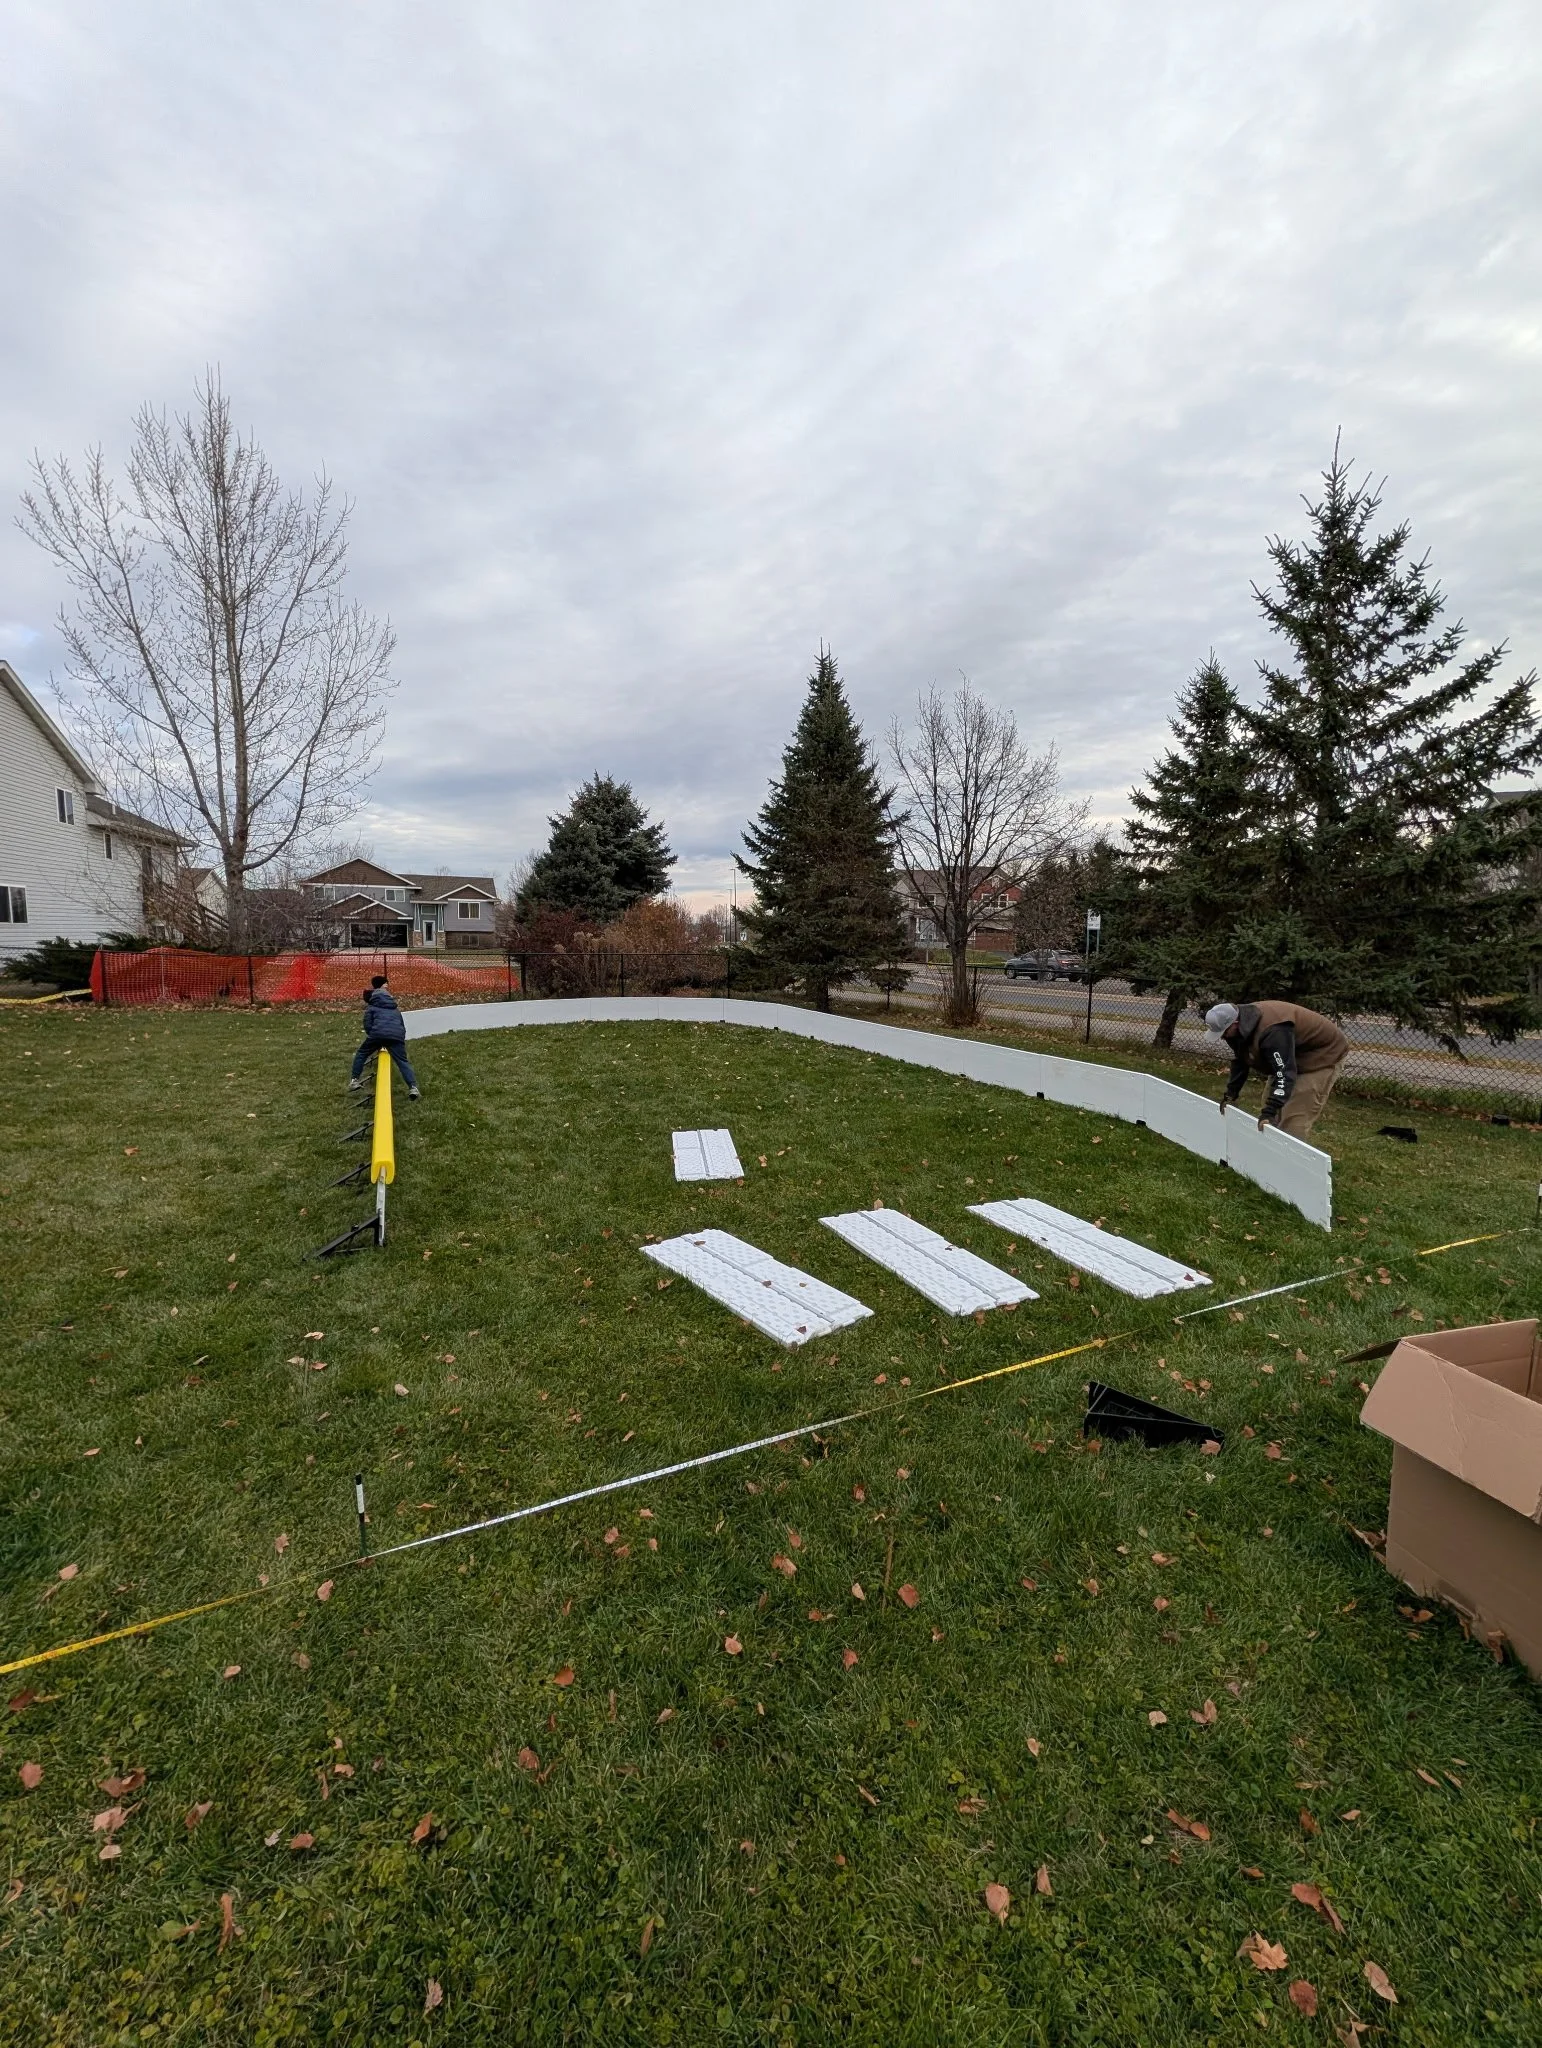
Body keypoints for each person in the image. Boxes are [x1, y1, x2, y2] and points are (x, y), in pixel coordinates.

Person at [1204, 999, 1348, 1140]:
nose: (1222, 1037)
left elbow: (1285, 1072)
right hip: (1290, 1053)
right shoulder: (1237, 1029)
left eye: (1224, 1032)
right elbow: (1241, 1061)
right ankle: (1270, 1154)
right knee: (1269, 1105)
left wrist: (1270, 1111)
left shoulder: (1273, 1030)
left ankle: (1291, 1158)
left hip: (1321, 1056)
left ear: (1235, 1023)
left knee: (1293, 1118)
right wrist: (1230, 1095)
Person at [348, 974, 420, 1098]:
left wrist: (375, 1036)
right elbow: (401, 1024)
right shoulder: (394, 1007)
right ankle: (413, 1088)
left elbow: (367, 1024)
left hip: (377, 1034)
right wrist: (399, 1038)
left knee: (362, 1053)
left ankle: (354, 1080)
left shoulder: (372, 1007)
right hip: (396, 1037)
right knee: (402, 1061)